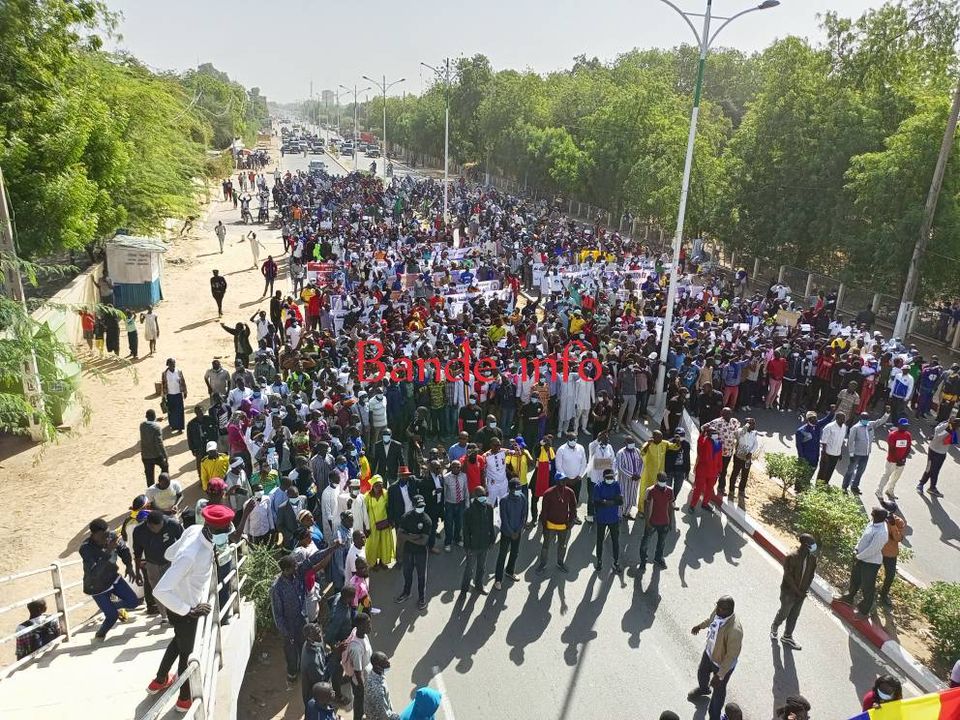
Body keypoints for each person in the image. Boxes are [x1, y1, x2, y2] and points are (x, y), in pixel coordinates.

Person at [147, 504, 232, 712]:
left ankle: (159, 680)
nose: (227, 536)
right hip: (185, 610)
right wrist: (189, 610)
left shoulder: (194, 530)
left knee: (178, 642)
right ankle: (184, 699)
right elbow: (160, 590)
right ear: (213, 530)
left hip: (183, 605)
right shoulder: (191, 555)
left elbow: (169, 554)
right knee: (187, 653)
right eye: (225, 533)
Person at [80, 518, 140, 641]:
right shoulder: (85, 548)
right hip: (96, 585)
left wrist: (129, 566)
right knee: (112, 616)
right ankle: (100, 635)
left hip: (113, 578)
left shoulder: (112, 536)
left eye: (108, 534)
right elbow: (94, 572)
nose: (107, 538)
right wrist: (108, 551)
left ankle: (112, 606)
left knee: (133, 602)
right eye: (104, 536)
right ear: (94, 535)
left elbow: (123, 549)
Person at [687, 596, 743, 720]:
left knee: (718, 692)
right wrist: (700, 626)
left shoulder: (735, 630)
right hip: (709, 654)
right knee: (702, 673)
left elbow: (731, 656)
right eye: (717, 606)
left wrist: (720, 675)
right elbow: (711, 620)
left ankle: (714, 716)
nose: (717, 609)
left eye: (721, 608)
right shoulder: (719, 612)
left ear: (729, 610)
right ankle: (704, 689)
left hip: (722, 665)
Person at [836, 506, 890, 617]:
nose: (871, 514)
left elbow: (873, 549)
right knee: (855, 579)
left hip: (871, 563)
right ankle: (849, 598)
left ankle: (863, 610)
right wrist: (856, 548)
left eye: (873, 513)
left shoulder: (882, 533)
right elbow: (863, 538)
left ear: (878, 517)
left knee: (867, 586)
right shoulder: (873, 522)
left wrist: (859, 556)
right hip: (860, 557)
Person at [770, 533, 818, 650]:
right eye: (811, 544)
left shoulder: (812, 559)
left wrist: (804, 591)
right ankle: (775, 627)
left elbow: (811, 575)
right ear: (804, 545)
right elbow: (788, 576)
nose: (814, 546)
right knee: (784, 613)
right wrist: (797, 591)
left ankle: (787, 636)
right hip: (788, 593)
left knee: (794, 615)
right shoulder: (792, 557)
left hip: (801, 594)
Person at [132, 509, 183, 616]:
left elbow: (184, 542)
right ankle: (165, 616)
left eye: (160, 527)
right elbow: (137, 553)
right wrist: (137, 573)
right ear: (148, 524)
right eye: (153, 528)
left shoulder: (172, 524)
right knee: (158, 592)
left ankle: (177, 613)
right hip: (152, 565)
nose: (157, 531)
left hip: (171, 563)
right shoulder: (139, 531)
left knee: (174, 589)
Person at [841, 408, 890, 495]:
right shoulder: (855, 428)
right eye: (865, 420)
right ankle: (844, 487)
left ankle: (855, 486)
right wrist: (851, 454)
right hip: (856, 454)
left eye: (867, 420)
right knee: (850, 471)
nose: (866, 421)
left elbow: (880, 421)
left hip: (866, 453)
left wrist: (887, 413)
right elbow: (850, 441)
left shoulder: (870, 425)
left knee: (860, 471)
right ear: (861, 419)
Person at [395, 495, 432, 610]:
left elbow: (423, 541)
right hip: (408, 552)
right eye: (419, 506)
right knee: (407, 574)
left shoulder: (427, 520)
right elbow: (400, 535)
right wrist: (415, 537)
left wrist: (408, 536)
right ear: (414, 505)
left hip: (421, 553)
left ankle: (422, 597)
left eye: (422, 506)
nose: (421, 508)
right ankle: (406, 593)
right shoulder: (406, 517)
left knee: (421, 577)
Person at [536, 474, 577, 574]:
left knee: (562, 546)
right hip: (550, 525)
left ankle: (560, 562)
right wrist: (544, 525)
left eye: (564, 480)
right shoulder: (548, 493)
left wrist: (571, 521)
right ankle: (542, 564)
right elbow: (544, 511)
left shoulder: (569, 492)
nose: (563, 483)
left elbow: (573, 507)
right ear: (556, 482)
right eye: (560, 481)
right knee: (546, 546)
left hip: (563, 525)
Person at [494, 479, 527, 590]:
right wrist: (511, 532)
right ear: (511, 489)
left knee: (514, 552)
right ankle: (498, 579)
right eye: (516, 489)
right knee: (502, 555)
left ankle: (510, 571)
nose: (518, 490)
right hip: (506, 532)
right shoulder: (504, 500)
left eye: (519, 488)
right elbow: (504, 518)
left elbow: (524, 515)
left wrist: (518, 531)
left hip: (517, 532)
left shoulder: (522, 497)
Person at [639, 473, 675, 573]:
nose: (663, 482)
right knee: (645, 544)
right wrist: (647, 522)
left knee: (661, 543)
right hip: (652, 522)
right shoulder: (650, 491)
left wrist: (670, 522)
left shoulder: (670, 491)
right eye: (661, 480)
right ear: (657, 480)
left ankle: (658, 558)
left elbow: (670, 507)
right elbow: (646, 507)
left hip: (664, 523)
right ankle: (643, 562)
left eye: (664, 480)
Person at [461, 486, 495, 594]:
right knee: (469, 570)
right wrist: (467, 547)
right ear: (475, 497)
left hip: (485, 544)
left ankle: (479, 585)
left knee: (482, 567)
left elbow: (491, 525)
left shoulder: (489, 508)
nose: (483, 497)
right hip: (473, 546)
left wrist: (492, 540)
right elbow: (465, 532)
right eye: (480, 496)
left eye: (484, 495)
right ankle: (464, 590)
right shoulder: (468, 512)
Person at [342, 614, 373, 720]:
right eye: (367, 624)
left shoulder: (362, 634)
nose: (370, 626)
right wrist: (362, 687)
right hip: (360, 682)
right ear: (359, 626)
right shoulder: (356, 648)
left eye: (369, 622)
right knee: (359, 704)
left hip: (366, 676)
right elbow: (358, 671)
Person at [593, 468, 624, 574]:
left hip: (614, 519)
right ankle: (599, 561)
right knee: (599, 540)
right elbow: (596, 503)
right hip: (601, 519)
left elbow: (620, 501)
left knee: (616, 541)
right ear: (604, 477)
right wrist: (611, 502)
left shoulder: (616, 485)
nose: (610, 479)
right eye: (608, 477)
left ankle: (616, 562)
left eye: (612, 477)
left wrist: (606, 501)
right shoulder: (598, 487)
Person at [917, 417, 957, 497]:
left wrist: (951, 426)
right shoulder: (944, 429)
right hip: (934, 451)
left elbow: (952, 439)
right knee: (929, 469)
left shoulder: (948, 427)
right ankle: (921, 484)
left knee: (935, 471)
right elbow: (940, 436)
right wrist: (950, 428)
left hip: (942, 453)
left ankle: (932, 488)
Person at [877, 500, 905, 609]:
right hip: (878, 550)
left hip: (890, 554)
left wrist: (893, 525)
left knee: (890, 575)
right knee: (872, 570)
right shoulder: (880, 517)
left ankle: (884, 595)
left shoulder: (899, 522)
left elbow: (898, 538)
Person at [875, 418, 912, 500]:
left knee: (896, 477)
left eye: (907, 426)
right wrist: (897, 459)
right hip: (892, 460)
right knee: (886, 475)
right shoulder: (893, 435)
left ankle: (890, 490)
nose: (906, 427)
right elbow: (891, 449)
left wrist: (903, 459)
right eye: (904, 426)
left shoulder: (908, 435)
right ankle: (879, 491)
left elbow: (908, 448)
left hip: (901, 461)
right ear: (899, 426)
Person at [363, 477, 395, 570]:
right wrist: (365, 526)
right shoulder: (367, 496)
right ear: (372, 486)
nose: (379, 488)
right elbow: (364, 511)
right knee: (373, 544)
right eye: (376, 486)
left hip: (384, 523)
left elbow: (390, 507)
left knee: (384, 543)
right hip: (372, 524)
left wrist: (391, 521)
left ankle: (383, 562)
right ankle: (373, 564)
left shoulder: (386, 494)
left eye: (380, 485)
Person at [300, 624, 329, 713]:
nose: (320, 635)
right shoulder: (312, 661)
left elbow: (323, 657)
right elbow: (321, 679)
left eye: (319, 631)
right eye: (316, 634)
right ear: (309, 637)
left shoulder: (314, 643)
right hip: (314, 695)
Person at [364, 651, 399, 720]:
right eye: (385, 663)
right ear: (378, 666)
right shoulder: (377, 690)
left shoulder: (374, 672)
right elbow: (385, 715)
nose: (389, 663)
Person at [442, 460, 467, 550]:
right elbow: (444, 492)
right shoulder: (446, 477)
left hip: (461, 503)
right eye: (454, 467)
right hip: (449, 504)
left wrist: (467, 504)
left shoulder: (464, 476)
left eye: (458, 467)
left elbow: (466, 490)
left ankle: (457, 539)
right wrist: (444, 505)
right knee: (448, 524)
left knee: (459, 523)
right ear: (451, 467)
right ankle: (448, 542)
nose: (456, 469)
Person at [139, 408, 168, 487]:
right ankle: (163, 483)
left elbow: (149, 424)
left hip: (145, 456)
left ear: (146, 416)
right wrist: (165, 455)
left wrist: (156, 420)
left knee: (149, 476)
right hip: (156, 455)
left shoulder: (142, 425)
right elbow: (159, 443)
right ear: (154, 416)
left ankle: (151, 492)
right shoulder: (157, 427)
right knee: (165, 467)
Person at [161, 357, 187, 433]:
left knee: (180, 411)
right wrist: (163, 396)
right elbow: (163, 385)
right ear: (168, 365)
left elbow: (183, 382)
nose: (173, 365)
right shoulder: (165, 374)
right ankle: (173, 425)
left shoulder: (179, 371)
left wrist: (185, 392)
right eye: (171, 364)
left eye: (174, 363)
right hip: (170, 395)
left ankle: (180, 427)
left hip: (178, 394)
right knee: (171, 411)